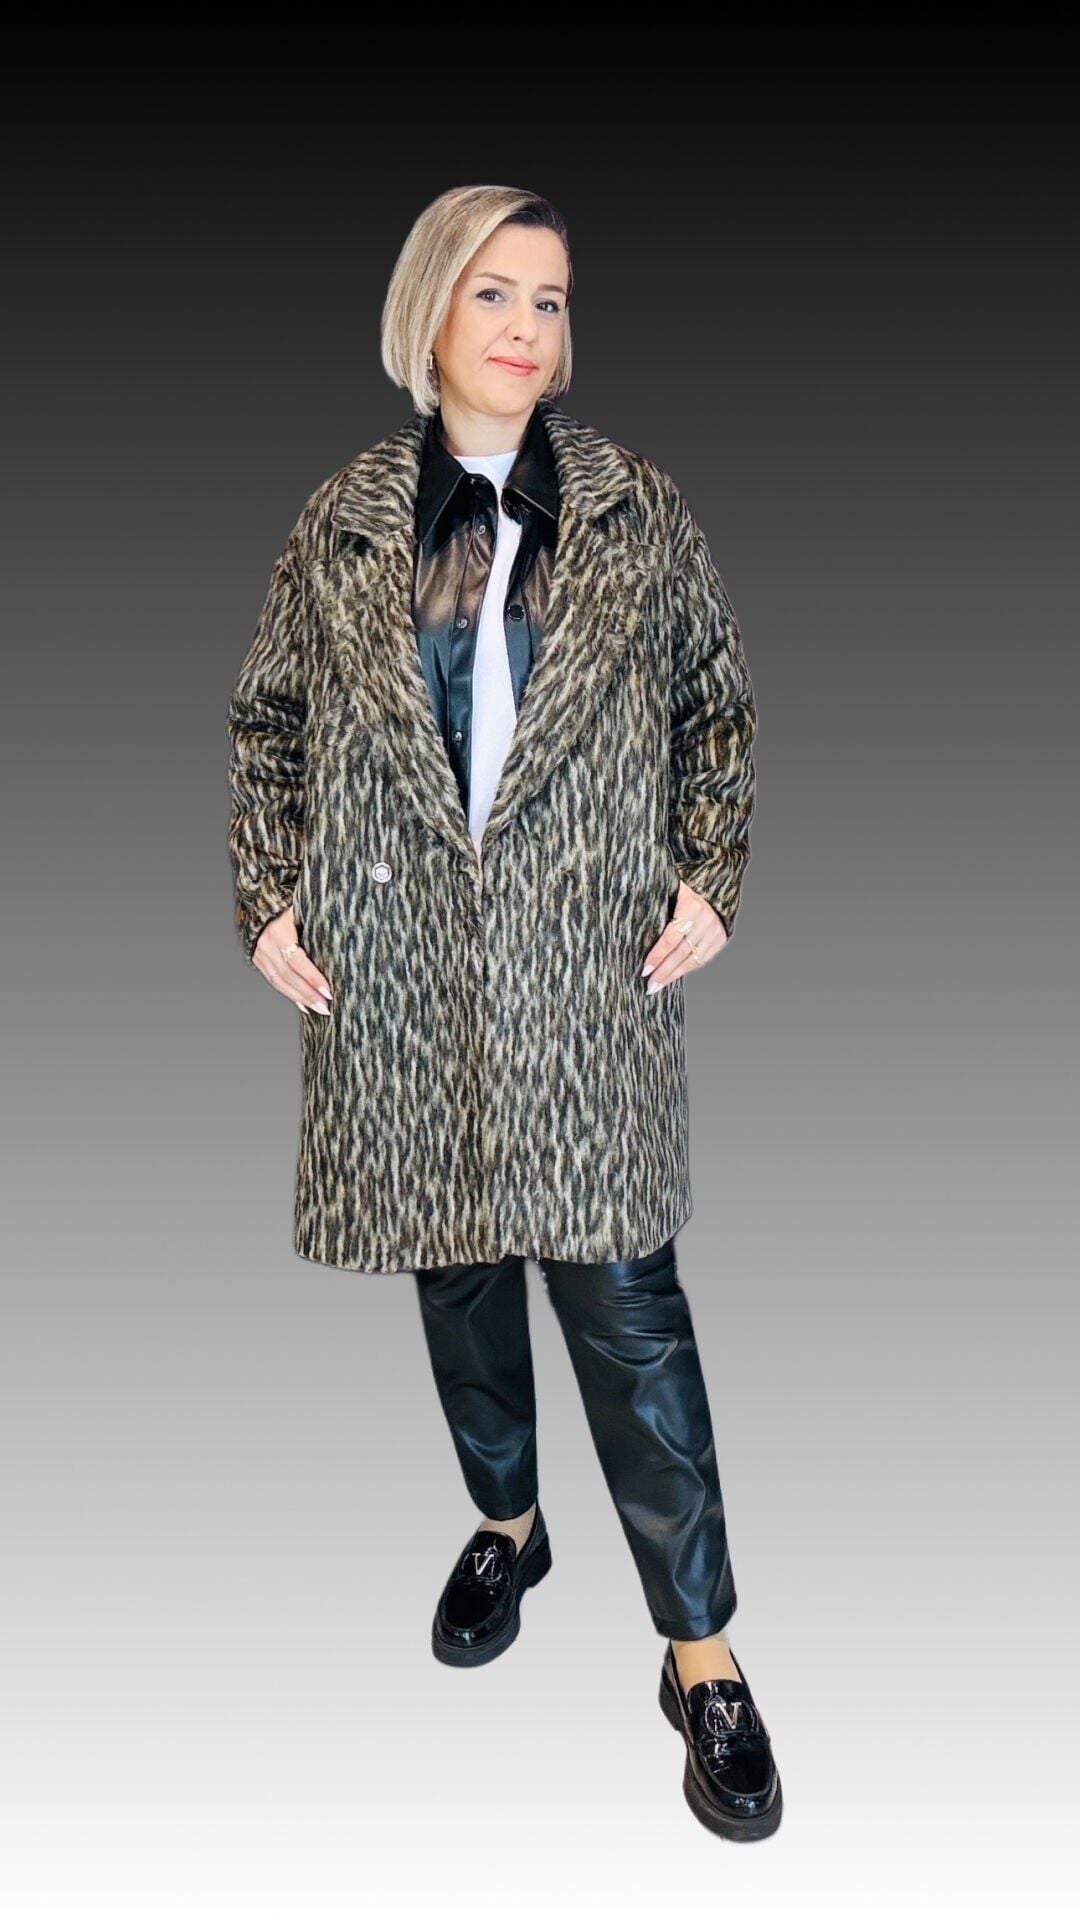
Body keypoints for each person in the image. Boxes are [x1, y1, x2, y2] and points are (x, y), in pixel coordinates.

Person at [226, 183, 781, 1841]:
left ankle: (702, 1655)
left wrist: (711, 876)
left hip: (585, 981)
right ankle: (510, 1527)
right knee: (459, 1282)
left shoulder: (636, 511)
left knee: (630, 1316)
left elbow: (718, 708)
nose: (529, 327)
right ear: (429, 312)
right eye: (495, 293)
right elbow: (267, 720)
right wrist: (267, 897)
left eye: (550, 298)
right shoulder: (341, 523)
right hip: (401, 981)